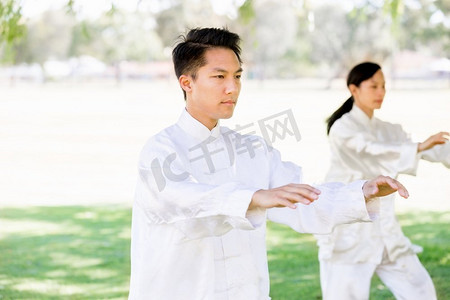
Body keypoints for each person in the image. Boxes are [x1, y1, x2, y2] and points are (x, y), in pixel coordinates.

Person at [128, 29, 409, 300]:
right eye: (219, 76)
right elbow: (186, 203)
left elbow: (303, 199)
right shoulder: (161, 151)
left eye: (237, 76)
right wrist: (253, 197)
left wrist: (361, 193)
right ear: (186, 83)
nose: (233, 87)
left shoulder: (251, 150)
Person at [316, 62, 449, 300]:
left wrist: (428, 148)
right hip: (350, 233)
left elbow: (429, 150)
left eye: (384, 86)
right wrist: (418, 147)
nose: (381, 92)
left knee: (421, 291)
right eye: (374, 86)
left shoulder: (388, 129)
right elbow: (372, 150)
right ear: (353, 89)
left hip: (386, 231)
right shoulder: (342, 129)